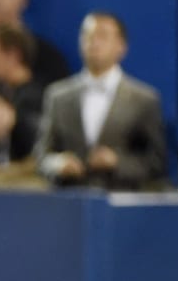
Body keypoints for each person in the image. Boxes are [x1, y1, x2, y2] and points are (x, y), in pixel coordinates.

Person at [34, 11, 167, 191]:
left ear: (121, 46)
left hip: (122, 201)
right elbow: (42, 154)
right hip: (70, 202)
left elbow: (157, 162)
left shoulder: (144, 99)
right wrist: (58, 164)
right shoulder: (58, 96)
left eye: (102, 36)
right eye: (87, 35)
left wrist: (117, 161)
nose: (93, 42)